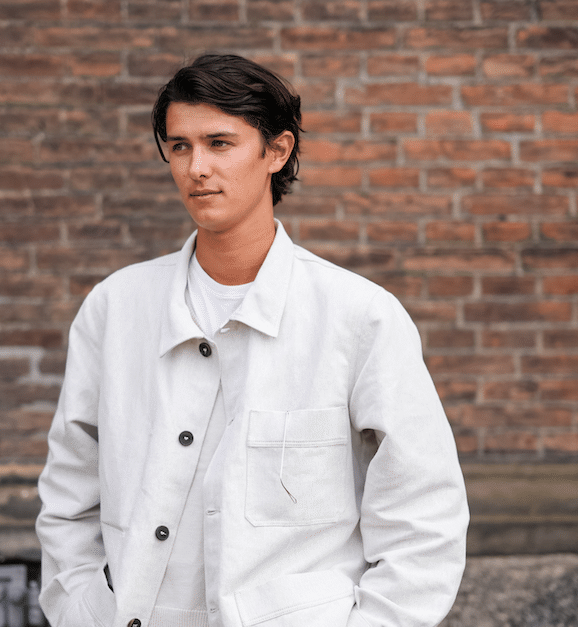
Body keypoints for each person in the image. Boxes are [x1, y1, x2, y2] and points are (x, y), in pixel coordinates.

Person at [35, 53, 468, 627]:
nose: (196, 168)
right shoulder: (116, 308)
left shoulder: (358, 317)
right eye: (180, 146)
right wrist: (84, 609)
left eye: (220, 143)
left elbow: (425, 518)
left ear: (277, 151)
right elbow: (69, 495)